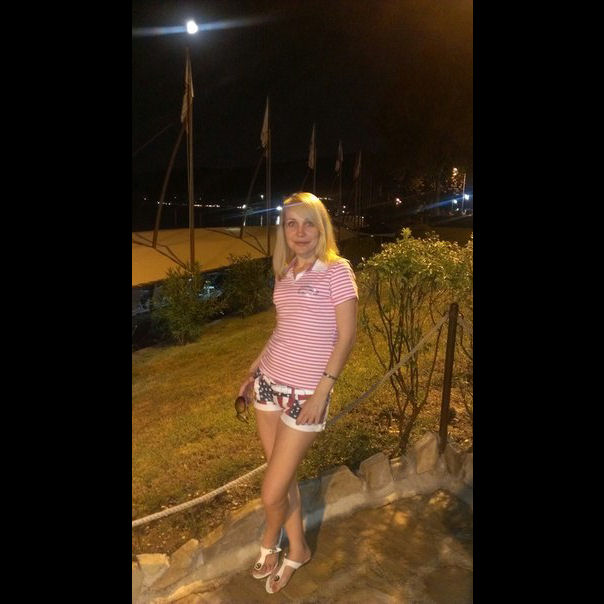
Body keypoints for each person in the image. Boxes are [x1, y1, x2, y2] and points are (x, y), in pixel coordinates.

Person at [238, 192, 358, 594]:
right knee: (283, 477)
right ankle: (300, 548)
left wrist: (323, 392)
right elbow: (283, 328)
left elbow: (346, 337)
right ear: (283, 231)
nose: (300, 232)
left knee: (272, 491)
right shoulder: (285, 271)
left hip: (305, 394)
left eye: (309, 223)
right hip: (268, 384)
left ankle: (269, 541)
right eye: (292, 223)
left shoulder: (337, 270)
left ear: (321, 227)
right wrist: (254, 369)